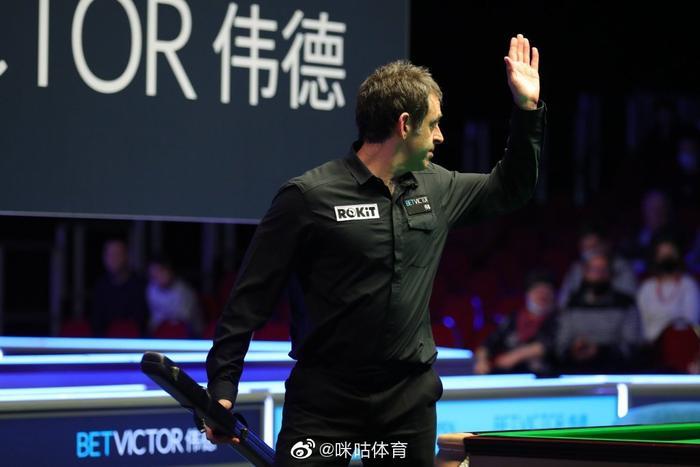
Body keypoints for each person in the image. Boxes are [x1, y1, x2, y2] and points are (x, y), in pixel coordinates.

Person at [206, 34, 545, 465]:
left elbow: (513, 188)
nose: (440, 136)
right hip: (324, 404)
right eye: (433, 124)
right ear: (404, 125)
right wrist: (222, 390)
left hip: (406, 405)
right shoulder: (308, 197)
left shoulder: (437, 187)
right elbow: (248, 301)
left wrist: (527, 110)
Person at [556, 252, 641, 374]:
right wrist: (573, 350)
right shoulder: (572, 304)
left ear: (611, 274)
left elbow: (631, 345)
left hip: (616, 371)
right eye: (593, 269)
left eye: (602, 270)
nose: (598, 274)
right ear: (585, 272)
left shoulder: (625, 304)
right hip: (575, 371)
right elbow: (561, 345)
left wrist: (600, 351)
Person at [474, 271, 558, 376]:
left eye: (547, 292)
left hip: (544, 377)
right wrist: (481, 361)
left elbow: (548, 345)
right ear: (528, 294)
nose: (542, 296)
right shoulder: (513, 318)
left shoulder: (559, 319)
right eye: (538, 291)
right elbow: (487, 344)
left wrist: (516, 356)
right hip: (509, 376)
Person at [636, 236, 700, 343]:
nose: (666, 258)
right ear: (656, 258)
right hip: (650, 344)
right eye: (662, 254)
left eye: (670, 254)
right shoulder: (647, 287)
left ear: (678, 256)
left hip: (681, 343)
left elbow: (691, 322)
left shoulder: (688, 285)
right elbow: (640, 322)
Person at [558, 224, 636, 307]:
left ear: (605, 245)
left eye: (593, 247)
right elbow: (564, 301)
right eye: (585, 248)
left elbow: (631, 300)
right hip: (582, 313)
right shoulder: (577, 269)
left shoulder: (621, 267)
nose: (589, 253)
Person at [91, 239, 149, 336]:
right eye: (109, 255)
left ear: (127, 256)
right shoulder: (100, 287)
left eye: (117, 254)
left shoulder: (141, 286)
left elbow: (142, 323)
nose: (113, 259)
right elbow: (97, 325)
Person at [147, 255, 204, 338]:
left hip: (190, 335)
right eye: (153, 275)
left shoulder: (184, 291)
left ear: (169, 270)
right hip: (162, 335)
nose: (157, 276)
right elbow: (155, 319)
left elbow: (185, 319)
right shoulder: (152, 289)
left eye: (160, 272)